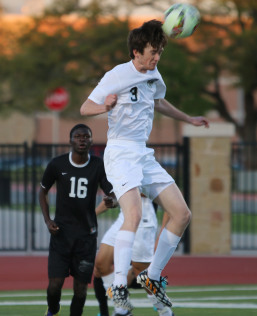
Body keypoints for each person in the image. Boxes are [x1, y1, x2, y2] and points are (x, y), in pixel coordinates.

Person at [80, 19, 209, 312]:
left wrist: (188, 118)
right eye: (152, 51)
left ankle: (151, 278)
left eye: (160, 52)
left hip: (142, 154)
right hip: (121, 154)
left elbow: (159, 102)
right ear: (136, 51)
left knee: (181, 214)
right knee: (134, 215)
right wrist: (106, 106)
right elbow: (85, 108)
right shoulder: (116, 75)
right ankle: (119, 286)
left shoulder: (154, 73)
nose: (156, 57)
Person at [39, 124, 115, 316]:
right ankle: (54, 308)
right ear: (70, 140)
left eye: (86, 136)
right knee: (54, 286)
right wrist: (48, 221)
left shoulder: (98, 165)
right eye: (78, 136)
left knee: (80, 291)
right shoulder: (57, 164)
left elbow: (112, 193)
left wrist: (112, 201)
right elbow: (43, 191)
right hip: (61, 235)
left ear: (91, 140)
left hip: (86, 237)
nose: (82, 139)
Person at [93, 194, 174, 316]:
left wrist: (162, 234)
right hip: (124, 217)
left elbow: (168, 201)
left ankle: (165, 311)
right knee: (101, 263)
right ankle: (122, 310)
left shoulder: (150, 175)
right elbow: (118, 195)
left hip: (143, 220)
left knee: (142, 274)